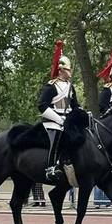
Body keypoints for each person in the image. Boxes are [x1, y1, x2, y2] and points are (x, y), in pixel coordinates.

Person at [38, 40, 80, 181]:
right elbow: (42, 106)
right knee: (56, 138)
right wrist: (59, 119)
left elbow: (75, 105)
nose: (70, 72)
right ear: (61, 70)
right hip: (53, 121)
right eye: (68, 69)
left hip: (67, 120)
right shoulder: (51, 86)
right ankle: (50, 167)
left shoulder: (70, 86)